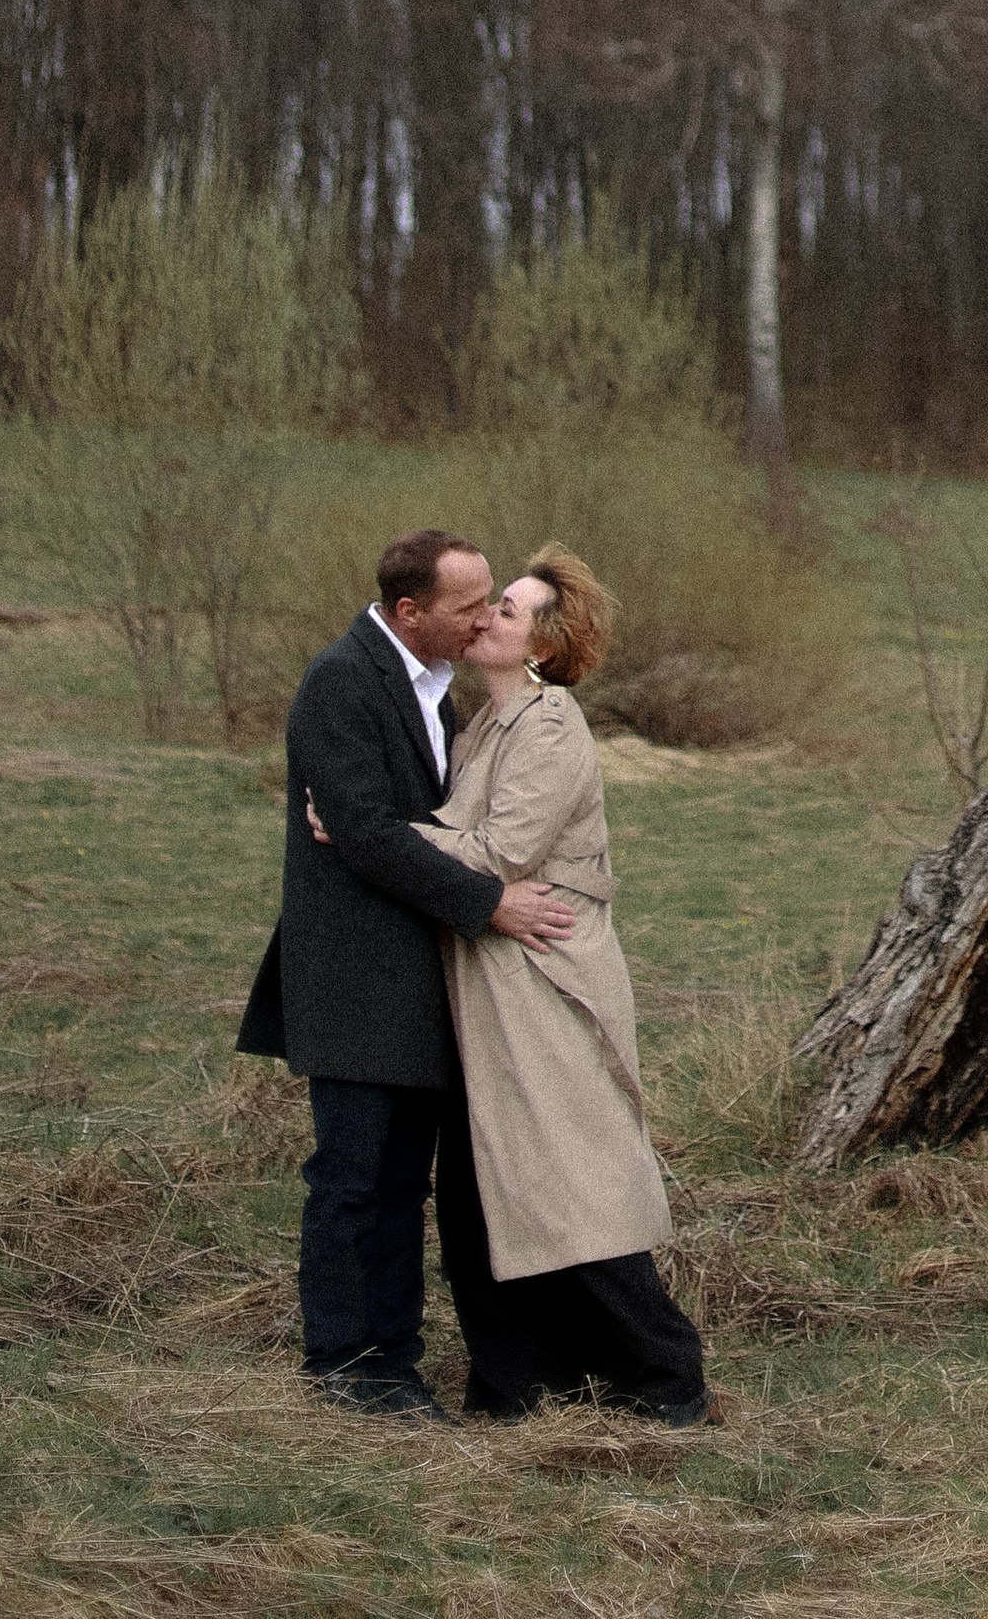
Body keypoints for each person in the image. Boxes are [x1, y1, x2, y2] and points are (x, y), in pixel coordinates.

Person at [237, 529, 577, 1421]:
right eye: (468, 606)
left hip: (417, 982)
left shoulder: (437, 694)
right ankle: (347, 1363)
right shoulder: (342, 682)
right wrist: (488, 904)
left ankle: (394, 1358)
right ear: (408, 612)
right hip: (352, 977)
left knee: (400, 1183)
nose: (481, 620)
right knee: (353, 1178)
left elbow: (416, 824)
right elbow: (367, 831)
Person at [414, 545, 708, 1426]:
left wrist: (369, 835)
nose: (486, 616)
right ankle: (515, 1386)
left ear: (542, 643)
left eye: (508, 608)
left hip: (546, 981)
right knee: (479, 1186)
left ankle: (666, 1378)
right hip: (490, 979)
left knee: (569, 1180)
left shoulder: (550, 727)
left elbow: (502, 854)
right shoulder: (482, 725)